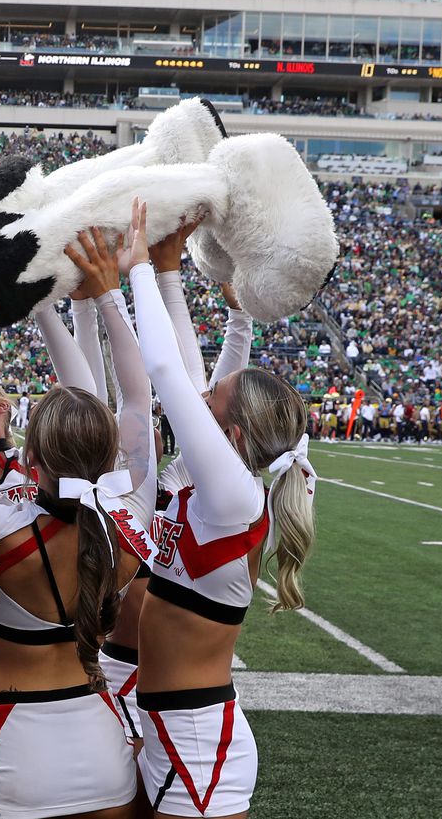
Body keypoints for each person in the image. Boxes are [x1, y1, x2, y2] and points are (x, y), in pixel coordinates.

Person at [126, 197, 316, 819]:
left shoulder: (233, 499)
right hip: (164, 728)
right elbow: (181, 364)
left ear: (231, 439)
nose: (202, 391)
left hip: (200, 746)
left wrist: (135, 269)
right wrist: (168, 270)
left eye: (215, 397)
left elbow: (166, 372)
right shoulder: (207, 489)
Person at [0, 228, 155, 819]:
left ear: (31, 459)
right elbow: (133, 402)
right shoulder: (129, 523)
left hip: (10, 748)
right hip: (103, 746)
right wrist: (87, 300)